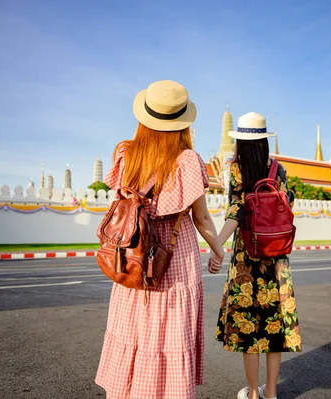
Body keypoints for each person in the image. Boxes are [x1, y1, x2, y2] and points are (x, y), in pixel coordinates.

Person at [95, 80, 225, 398]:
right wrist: (219, 251)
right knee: (167, 339)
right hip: (173, 263)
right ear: (183, 124)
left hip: (132, 259)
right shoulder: (188, 161)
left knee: (134, 334)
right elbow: (202, 218)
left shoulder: (125, 154)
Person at [213, 112, 302, 399]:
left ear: (240, 141)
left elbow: (235, 211)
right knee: (274, 325)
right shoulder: (278, 170)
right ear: (264, 140)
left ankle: (253, 393)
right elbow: (288, 205)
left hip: (246, 260)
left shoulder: (237, 170)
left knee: (248, 327)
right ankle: (272, 392)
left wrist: (217, 244)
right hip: (276, 259)